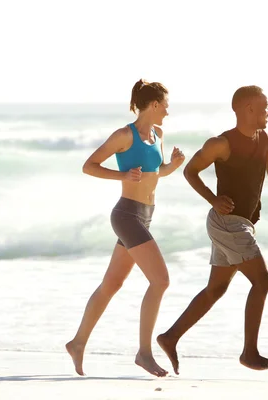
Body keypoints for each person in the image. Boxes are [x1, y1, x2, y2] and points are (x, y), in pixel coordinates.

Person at [156, 85, 268, 374]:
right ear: (248, 109)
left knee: (215, 289)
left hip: (242, 225)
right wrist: (213, 199)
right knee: (262, 282)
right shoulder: (222, 143)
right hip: (227, 224)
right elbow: (190, 171)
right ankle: (249, 353)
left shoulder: (265, 140)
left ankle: (170, 337)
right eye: (264, 107)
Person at [65, 79, 185, 377]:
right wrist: (121, 175)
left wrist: (173, 165)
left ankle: (77, 343)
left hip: (145, 216)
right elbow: (89, 166)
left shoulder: (158, 134)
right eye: (165, 106)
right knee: (161, 281)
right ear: (154, 105)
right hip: (127, 215)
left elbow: (155, 174)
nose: (167, 113)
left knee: (112, 284)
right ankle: (144, 353)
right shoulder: (124, 135)